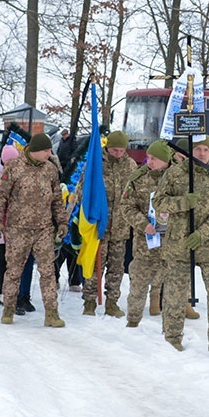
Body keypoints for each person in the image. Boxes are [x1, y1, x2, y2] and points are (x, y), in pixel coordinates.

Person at [153, 137, 209, 352]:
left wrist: (203, 233)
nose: (202, 153)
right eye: (198, 148)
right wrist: (184, 202)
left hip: (208, 246)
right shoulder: (175, 174)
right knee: (175, 294)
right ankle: (173, 336)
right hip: (179, 245)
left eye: (207, 149)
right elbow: (158, 202)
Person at [0, 133, 67, 327]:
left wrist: (62, 222)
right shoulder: (14, 167)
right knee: (14, 271)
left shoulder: (50, 170)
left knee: (48, 272)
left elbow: (57, 199)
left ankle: (52, 313)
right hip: (18, 229)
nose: (50, 154)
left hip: (43, 229)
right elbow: (0, 195)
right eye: (47, 150)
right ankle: (8, 308)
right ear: (35, 150)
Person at [82, 130, 137, 317]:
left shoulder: (130, 165)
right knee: (96, 266)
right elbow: (84, 190)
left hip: (121, 226)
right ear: (107, 147)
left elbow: (136, 193)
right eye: (114, 150)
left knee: (116, 267)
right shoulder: (96, 164)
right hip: (99, 226)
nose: (118, 154)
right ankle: (89, 300)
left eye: (121, 151)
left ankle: (112, 302)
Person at [122, 140, 173, 328]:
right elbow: (126, 207)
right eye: (148, 158)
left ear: (166, 160)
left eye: (154, 159)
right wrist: (143, 224)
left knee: (172, 287)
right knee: (138, 285)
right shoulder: (138, 178)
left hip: (171, 245)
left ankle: (171, 328)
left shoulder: (178, 178)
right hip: (145, 244)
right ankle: (133, 322)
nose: (149, 162)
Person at [0, 145, 37, 311]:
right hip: (0, 226)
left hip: (18, 226)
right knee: (2, 260)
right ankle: (4, 294)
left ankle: (18, 295)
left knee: (17, 262)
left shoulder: (20, 176)